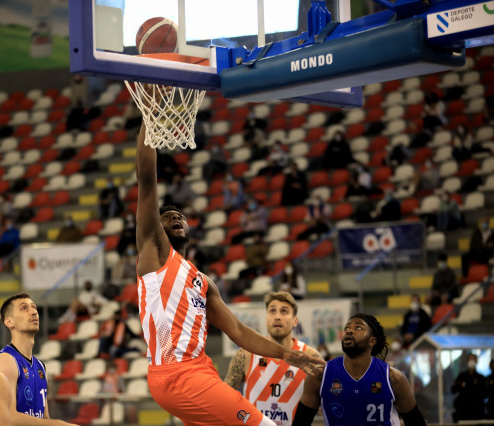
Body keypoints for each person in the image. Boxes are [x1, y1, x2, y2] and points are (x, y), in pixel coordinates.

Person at [134, 90, 324, 426]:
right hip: (175, 373)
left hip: (198, 367)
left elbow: (237, 330)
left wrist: (287, 355)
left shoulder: (202, 281)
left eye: (180, 215)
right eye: (168, 216)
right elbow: (147, 181)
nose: (176, 217)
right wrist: (150, 118)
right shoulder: (154, 251)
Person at [293, 313, 427, 426]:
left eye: (358, 327)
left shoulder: (393, 378)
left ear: (372, 341)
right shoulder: (320, 376)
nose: (349, 331)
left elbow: (416, 423)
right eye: (347, 328)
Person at [224, 291, 322, 425]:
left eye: (284, 311)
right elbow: (224, 398)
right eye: (272, 311)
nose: (277, 317)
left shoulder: (310, 357)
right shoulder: (246, 354)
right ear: (266, 319)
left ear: (295, 321)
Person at [0, 293, 73, 425]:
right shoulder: (5, 360)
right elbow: (7, 418)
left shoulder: (40, 366)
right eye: (24, 308)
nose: (33, 312)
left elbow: (44, 419)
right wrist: (59, 424)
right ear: (9, 321)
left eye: (34, 307)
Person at [451, 353, 486, 422]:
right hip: (463, 412)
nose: (471, 361)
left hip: (476, 413)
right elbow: (453, 390)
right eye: (470, 359)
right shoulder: (461, 376)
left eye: (473, 359)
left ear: (476, 361)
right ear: (467, 361)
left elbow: (485, 394)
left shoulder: (481, 378)